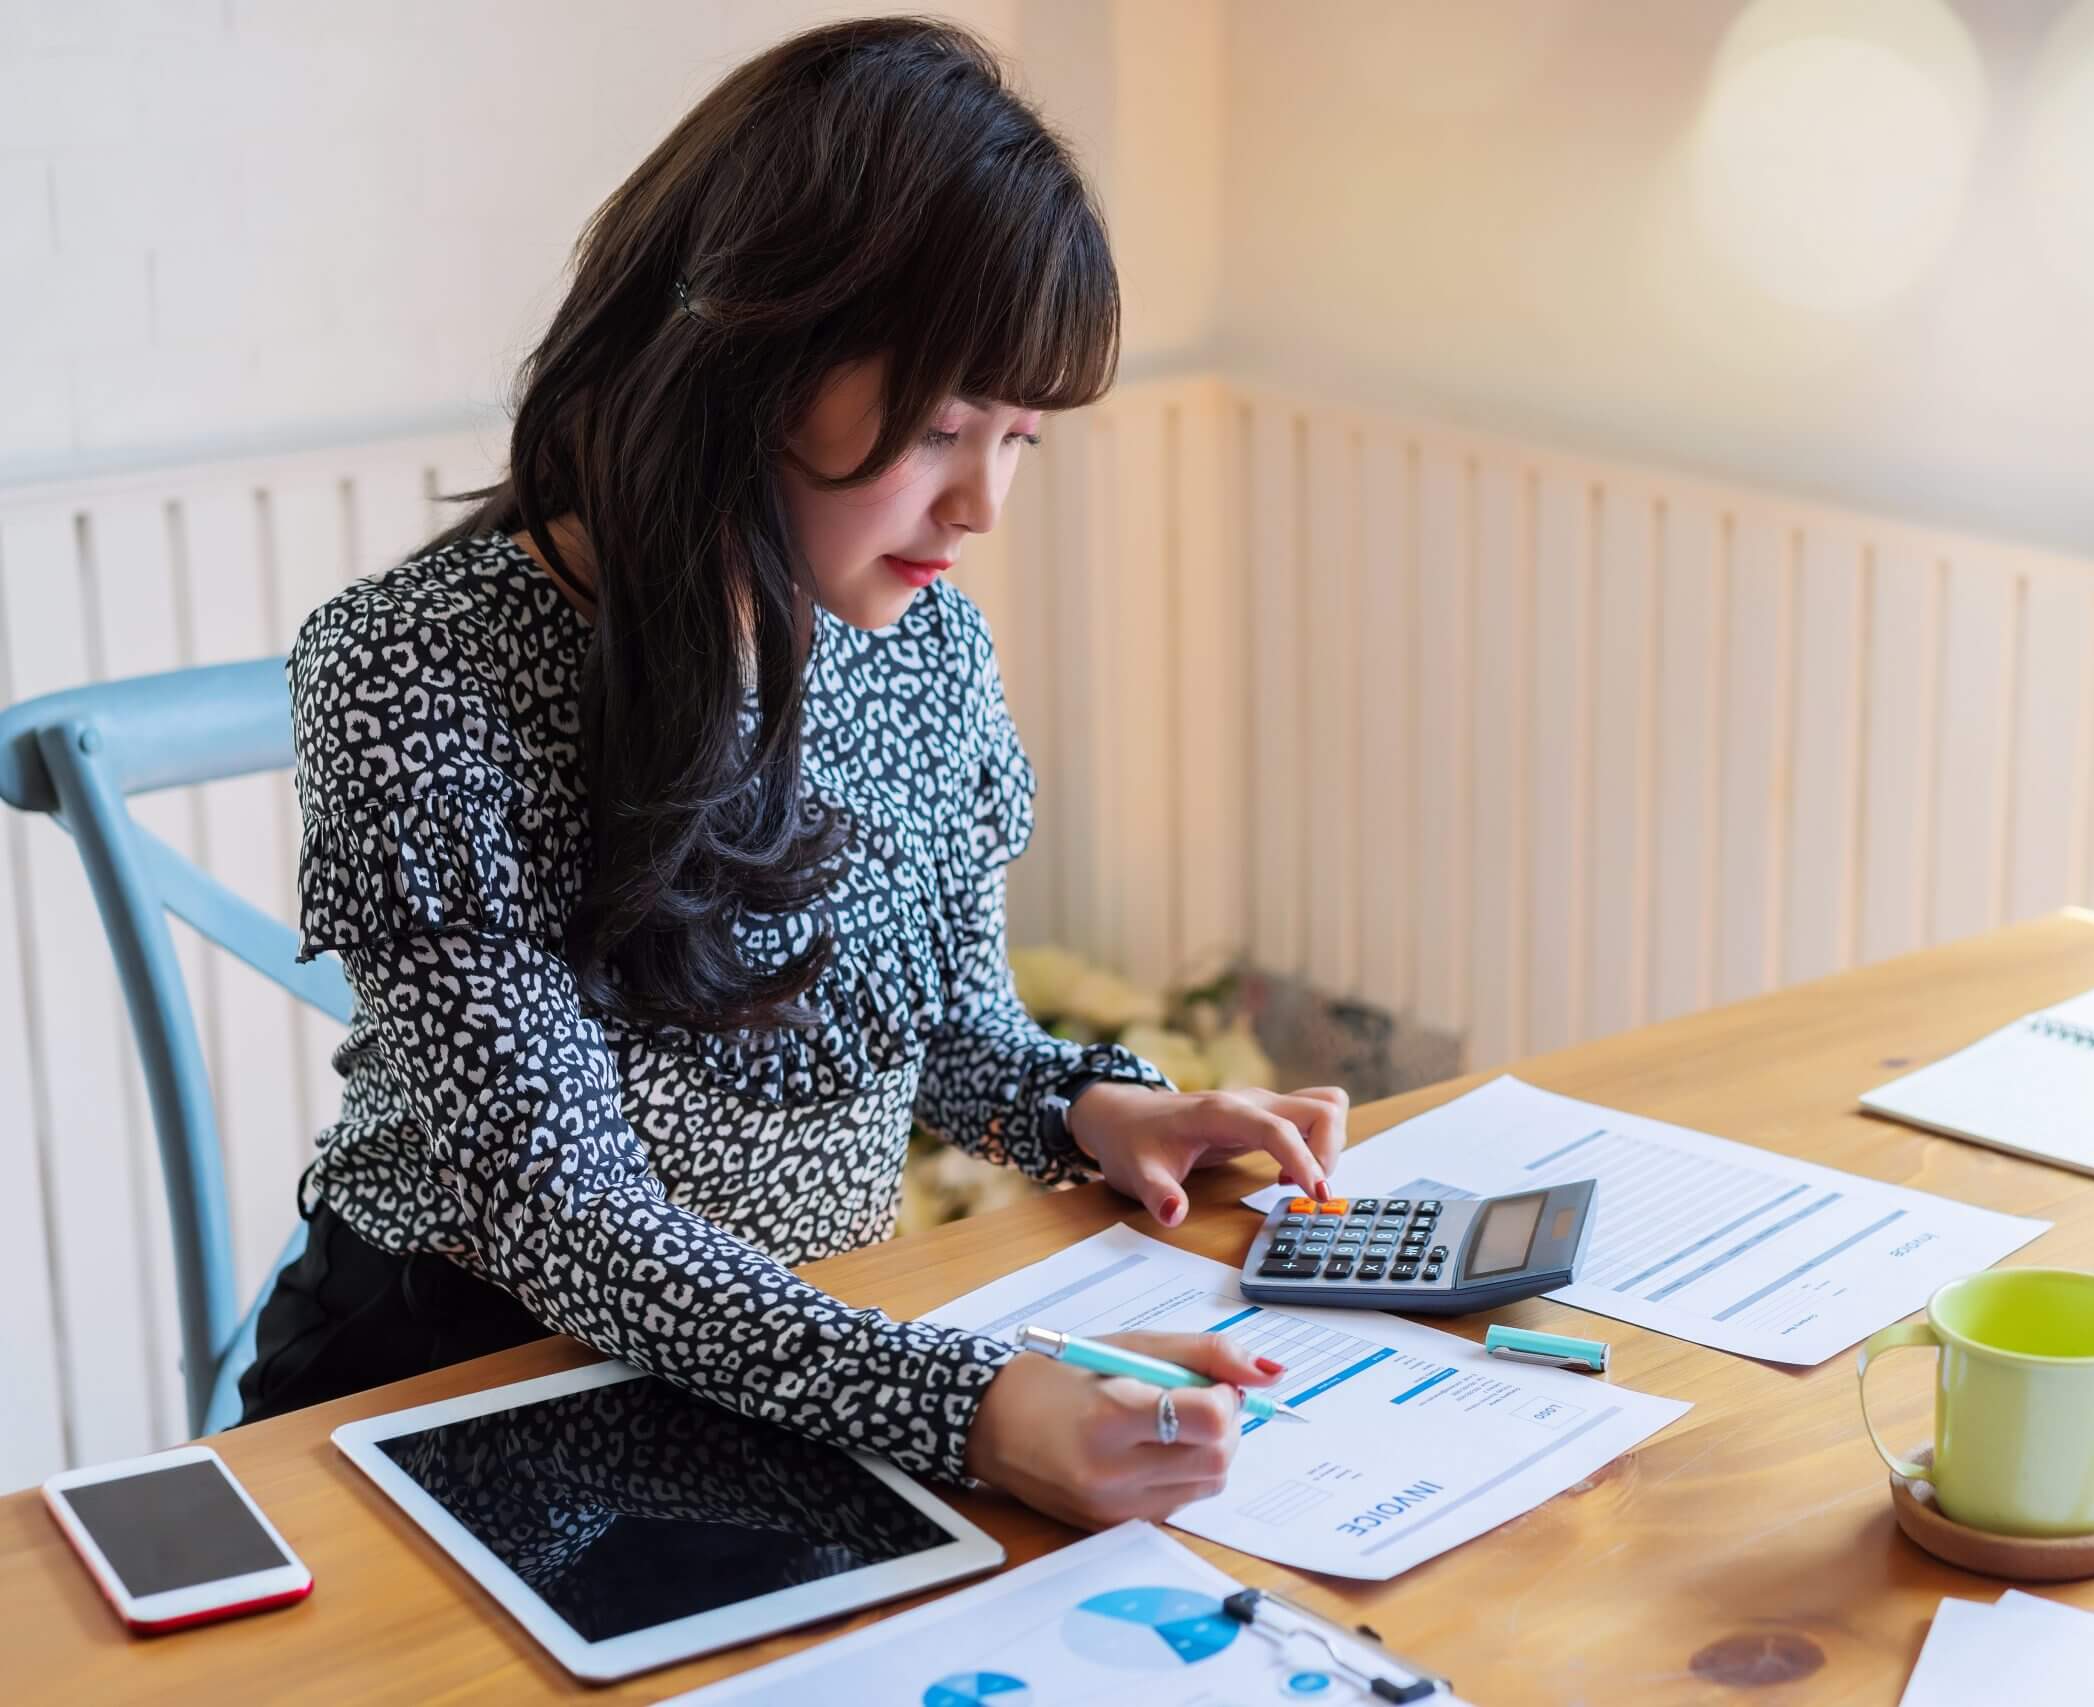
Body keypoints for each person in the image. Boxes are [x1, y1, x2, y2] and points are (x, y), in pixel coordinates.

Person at [234, 15, 1348, 1532]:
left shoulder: (922, 642)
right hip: (456, 1389)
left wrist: (1099, 1108)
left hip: (795, 1376)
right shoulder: (422, 671)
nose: (982, 505)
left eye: (1021, 437)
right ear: (744, 355)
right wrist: (970, 1402)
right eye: (944, 424)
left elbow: (938, 1021)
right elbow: (571, 1224)